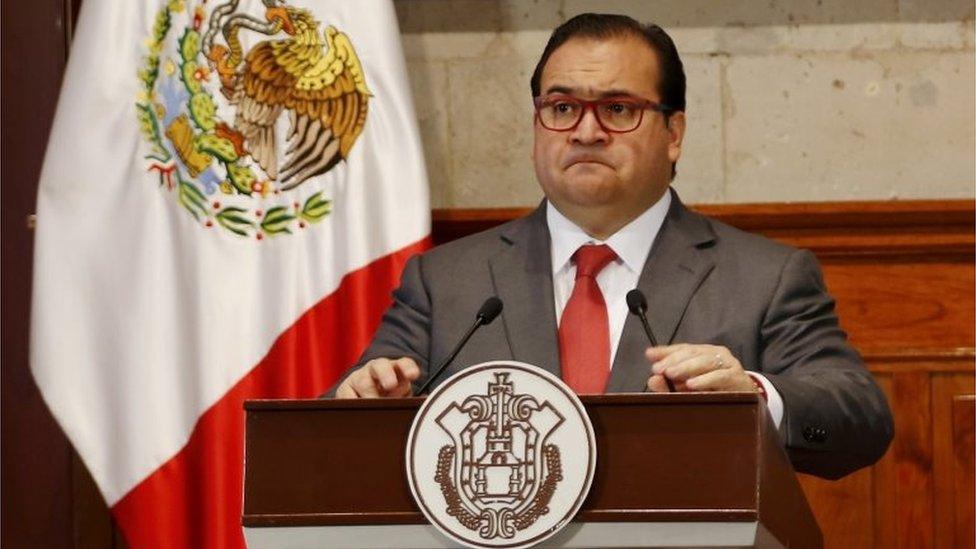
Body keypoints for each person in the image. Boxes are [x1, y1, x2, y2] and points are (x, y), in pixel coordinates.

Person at [328, 13, 893, 479]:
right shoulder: (447, 280)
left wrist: (752, 397)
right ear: (537, 125)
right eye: (562, 107)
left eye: (619, 109)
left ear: (674, 134)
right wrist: (359, 410)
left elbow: (859, 419)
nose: (586, 131)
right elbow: (343, 422)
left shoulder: (764, 277)